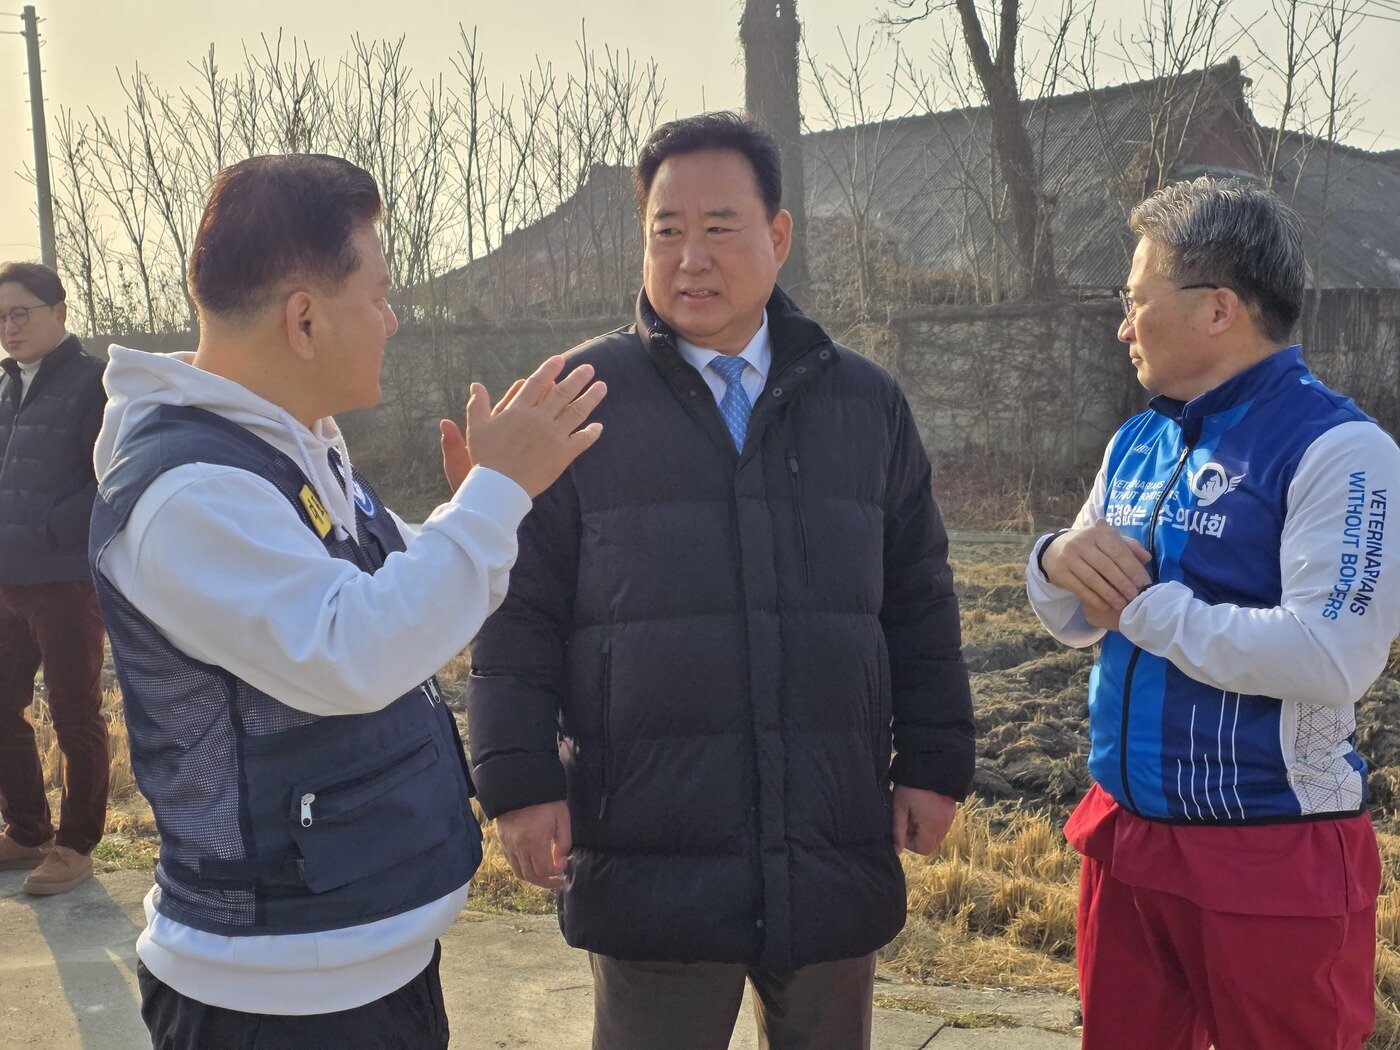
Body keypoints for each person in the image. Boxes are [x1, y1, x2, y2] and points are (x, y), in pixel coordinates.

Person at [467, 112, 976, 1049]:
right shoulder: (578, 401)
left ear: (778, 236)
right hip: (648, 838)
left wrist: (934, 765)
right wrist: (519, 782)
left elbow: (918, 598)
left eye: (718, 227)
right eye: (667, 231)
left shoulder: (863, 401)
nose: (690, 258)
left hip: (828, 829)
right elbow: (517, 611)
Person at [88, 153, 605, 1048]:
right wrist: (496, 496)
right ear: (304, 319)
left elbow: (406, 590)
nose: (393, 320)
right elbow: (352, 650)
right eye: (380, 295)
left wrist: (477, 508)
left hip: (363, 963)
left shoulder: (292, 448)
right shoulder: (189, 493)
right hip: (276, 999)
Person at [1026, 177, 1400, 1049]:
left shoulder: (1343, 450)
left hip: (1270, 848)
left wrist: (1146, 607)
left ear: (1218, 309)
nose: (1122, 327)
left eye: (1134, 301)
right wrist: (1051, 559)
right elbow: (1074, 616)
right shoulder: (1137, 439)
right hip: (1125, 838)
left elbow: (1332, 657)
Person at [0, 262, 109, 896]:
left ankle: (75, 845)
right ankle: (27, 830)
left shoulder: (96, 383)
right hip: (6, 580)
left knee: (74, 712)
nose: (9, 328)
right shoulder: (5, 385)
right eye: (0, 318)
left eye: (21, 313)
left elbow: (112, 477)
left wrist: (51, 528)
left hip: (65, 581)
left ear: (59, 311)